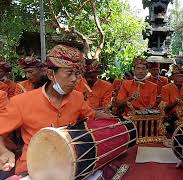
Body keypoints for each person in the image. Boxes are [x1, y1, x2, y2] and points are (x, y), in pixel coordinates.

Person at [0, 45, 111, 178]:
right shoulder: (21, 102)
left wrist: (115, 119)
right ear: (50, 74)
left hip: (70, 165)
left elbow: (93, 116)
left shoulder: (77, 97)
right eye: (69, 73)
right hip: (32, 168)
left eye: (77, 74)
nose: (75, 79)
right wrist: (3, 152)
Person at [160, 65, 183, 146]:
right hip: (170, 115)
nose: (179, 78)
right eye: (177, 76)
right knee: (169, 123)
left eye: (181, 76)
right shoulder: (165, 88)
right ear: (173, 77)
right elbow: (165, 109)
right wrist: (176, 102)